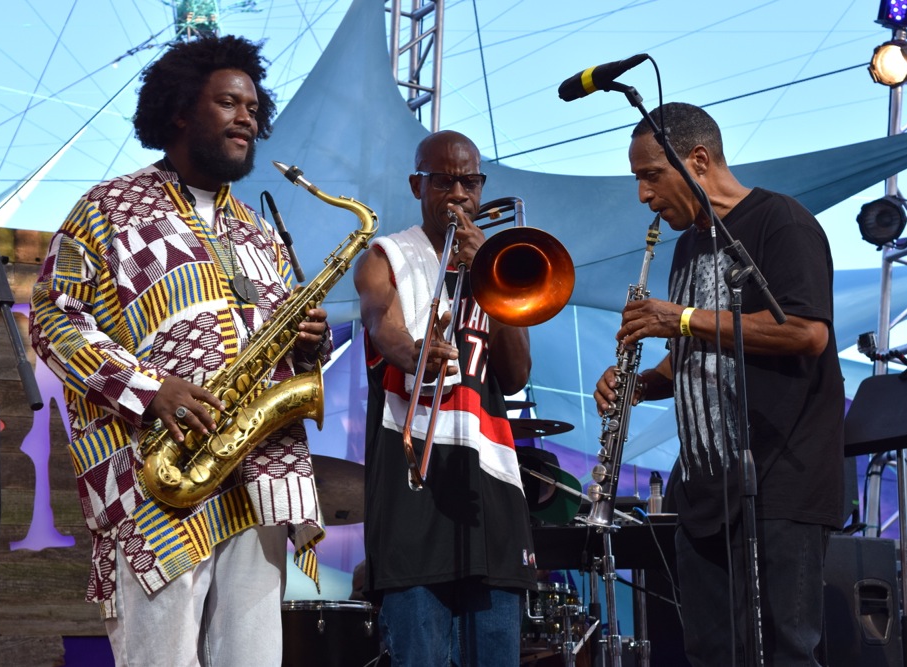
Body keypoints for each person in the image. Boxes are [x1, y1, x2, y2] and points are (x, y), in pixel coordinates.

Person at [29, 35, 332, 666]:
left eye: (253, 108)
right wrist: (150, 391)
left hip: (256, 481)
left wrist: (307, 345)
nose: (247, 118)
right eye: (228, 103)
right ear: (180, 112)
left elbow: (283, 348)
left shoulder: (260, 232)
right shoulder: (107, 209)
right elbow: (55, 319)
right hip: (158, 478)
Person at [593, 102, 844, 666]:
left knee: (783, 653)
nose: (643, 195)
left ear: (699, 160)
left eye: (651, 175)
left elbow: (806, 332)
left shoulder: (781, 221)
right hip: (704, 491)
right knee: (711, 654)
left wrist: (680, 318)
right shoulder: (687, 244)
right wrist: (637, 385)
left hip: (779, 482)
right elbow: (694, 354)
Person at [354, 130, 537, 665]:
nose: (459, 193)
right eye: (443, 181)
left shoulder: (494, 263)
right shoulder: (385, 256)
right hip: (412, 488)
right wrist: (413, 353)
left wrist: (491, 276)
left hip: (491, 490)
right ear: (418, 185)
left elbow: (517, 373)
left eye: (470, 182)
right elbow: (380, 325)